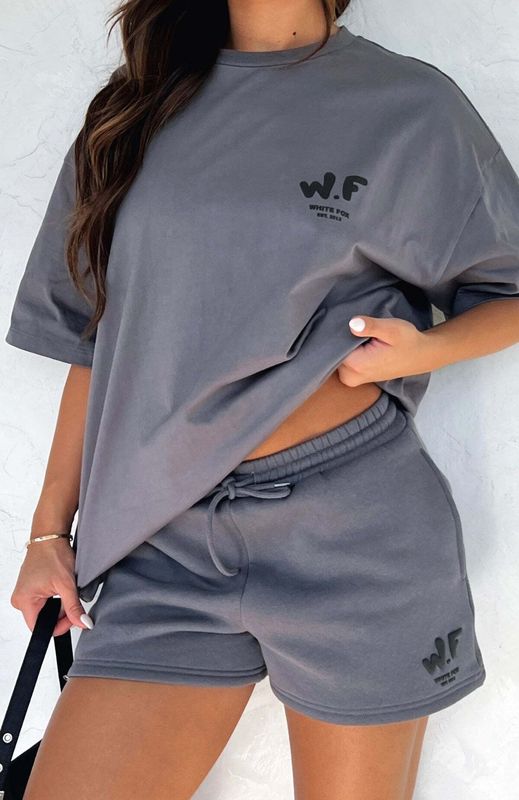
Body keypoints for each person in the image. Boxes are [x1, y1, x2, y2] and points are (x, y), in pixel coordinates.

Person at [5, 1, 519, 798]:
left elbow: (508, 287)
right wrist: (49, 531)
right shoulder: (135, 110)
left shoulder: (409, 106)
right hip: (161, 539)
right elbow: (98, 341)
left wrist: (426, 349)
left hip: (354, 535)